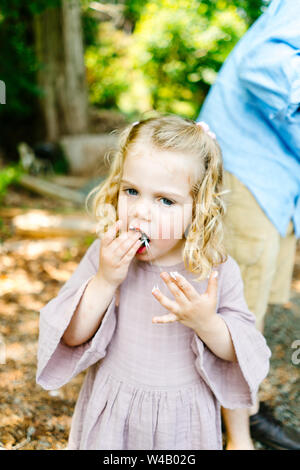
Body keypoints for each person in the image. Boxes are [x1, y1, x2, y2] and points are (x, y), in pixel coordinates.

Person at [36, 115, 270, 450]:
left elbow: (243, 353)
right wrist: (104, 281)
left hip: (184, 423)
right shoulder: (106, 257)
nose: (140, 212)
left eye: (165, 200)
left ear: (199, 209)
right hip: (115, 416)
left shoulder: (213, 269)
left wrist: (207, 323)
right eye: (131, 191)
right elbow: (70, 336)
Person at [197, 0, 300, 450]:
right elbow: (262, 63)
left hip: (274, 183)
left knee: (251, 308)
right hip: (247, 174)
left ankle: (242, 405)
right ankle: (232, 421)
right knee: (236, 311)